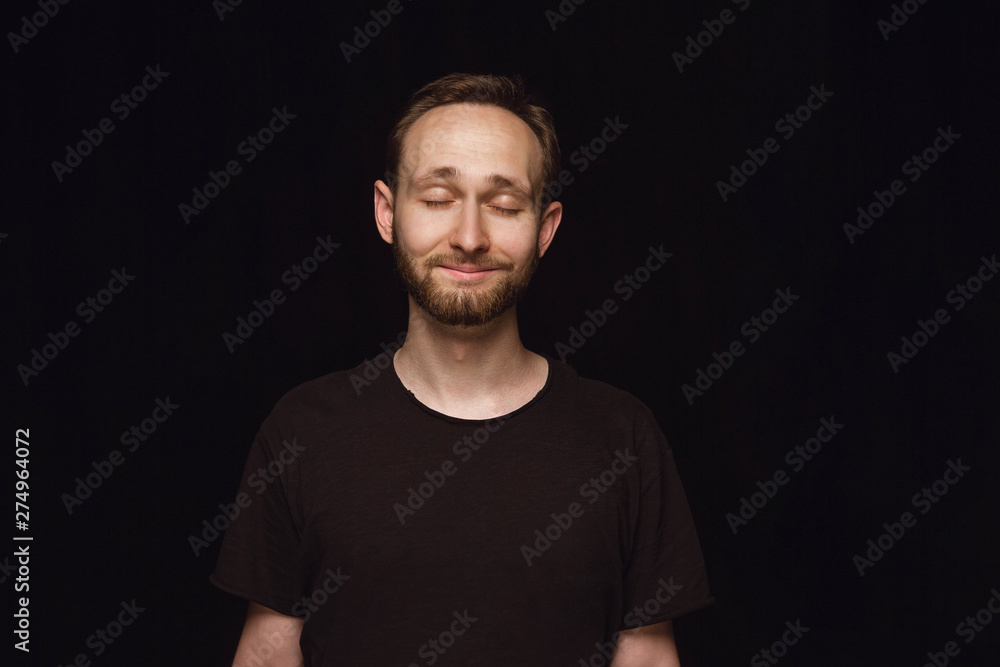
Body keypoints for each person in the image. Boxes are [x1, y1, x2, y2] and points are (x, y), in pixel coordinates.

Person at [211, 72, 714, 666]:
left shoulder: (623, 438)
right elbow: (267, 658)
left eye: (504, 205)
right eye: (437, 199)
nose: (470, 237)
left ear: (545, 229)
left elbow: (649, 661)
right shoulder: (300, 433)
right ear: (387, 212)